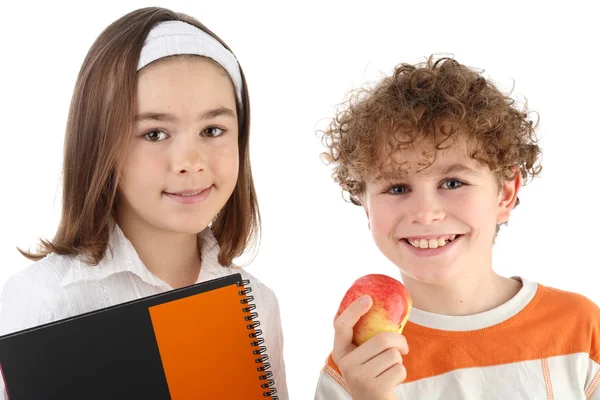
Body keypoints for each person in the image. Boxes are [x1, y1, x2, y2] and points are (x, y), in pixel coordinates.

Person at [0, 7, 288, 399]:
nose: (190, 162)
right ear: (101, 144)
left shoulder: (255, 300)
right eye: (154, 134)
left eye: (212, 130)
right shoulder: (43, 299)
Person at [314, 55, 600, 399]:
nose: (425, 213)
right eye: (397, 188)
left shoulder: (579, 328)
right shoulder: (357, 364)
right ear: (366, 207)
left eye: (452, 183)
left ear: (505, 194)